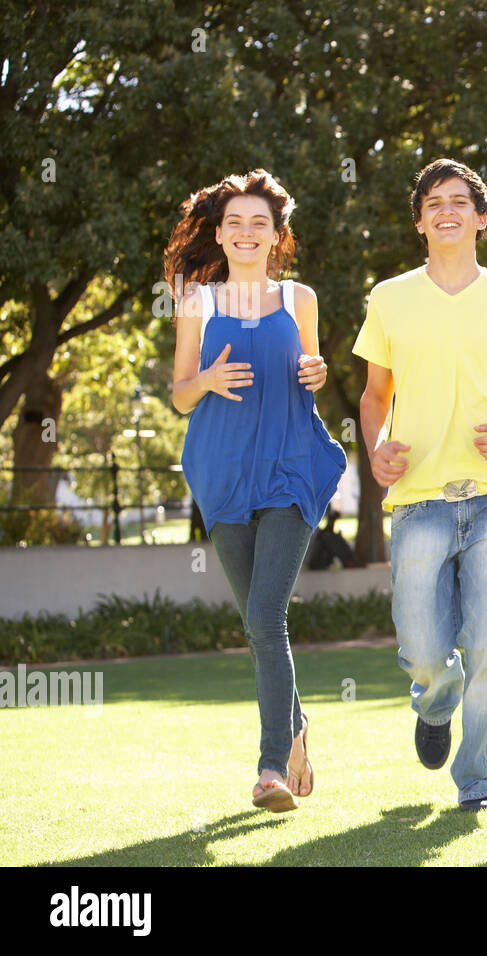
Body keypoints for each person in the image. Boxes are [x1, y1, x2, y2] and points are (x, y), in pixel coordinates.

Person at [354, 158, 487, 810]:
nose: (447, 210)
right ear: (420, 220)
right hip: (417, 498)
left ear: (480, 216)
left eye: (460, 200)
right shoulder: (388, 298)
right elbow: (373, 394)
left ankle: (475, 775)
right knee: (421, 649)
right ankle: (436, 702)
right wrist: (376, 447)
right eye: (434, 201)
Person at [167, 169, 345, 812]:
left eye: (259, 223)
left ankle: (270, 768)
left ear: (277, 236)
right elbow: (181, 395)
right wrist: (207, 377)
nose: (246, 232)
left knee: (267, 617)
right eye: (235, 222)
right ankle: (295, 726)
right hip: (221, 473)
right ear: (220, 233)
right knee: (257, 623)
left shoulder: (301, 299)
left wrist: (320, 371)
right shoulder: (198, 303)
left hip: (291, 466)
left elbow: (312, 372)